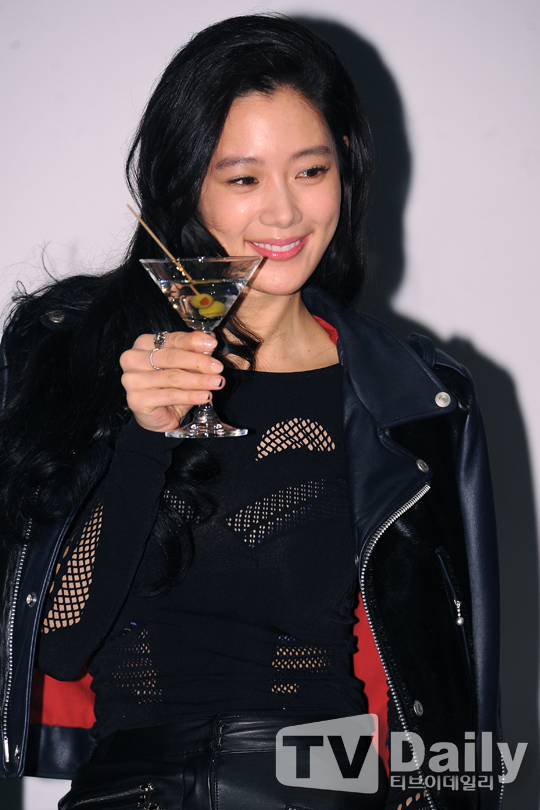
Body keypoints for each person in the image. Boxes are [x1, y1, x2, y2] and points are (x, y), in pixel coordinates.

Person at [0, 13, 501, 810]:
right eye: (243, 179)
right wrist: (142, 439)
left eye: (311, 171)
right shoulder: (78, 353)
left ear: (346, 168)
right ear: (185, 186)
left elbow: (449, 680)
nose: (284, 214)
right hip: (133, 785)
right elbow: (59, 645)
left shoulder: (416, 397)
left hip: (324, 781)